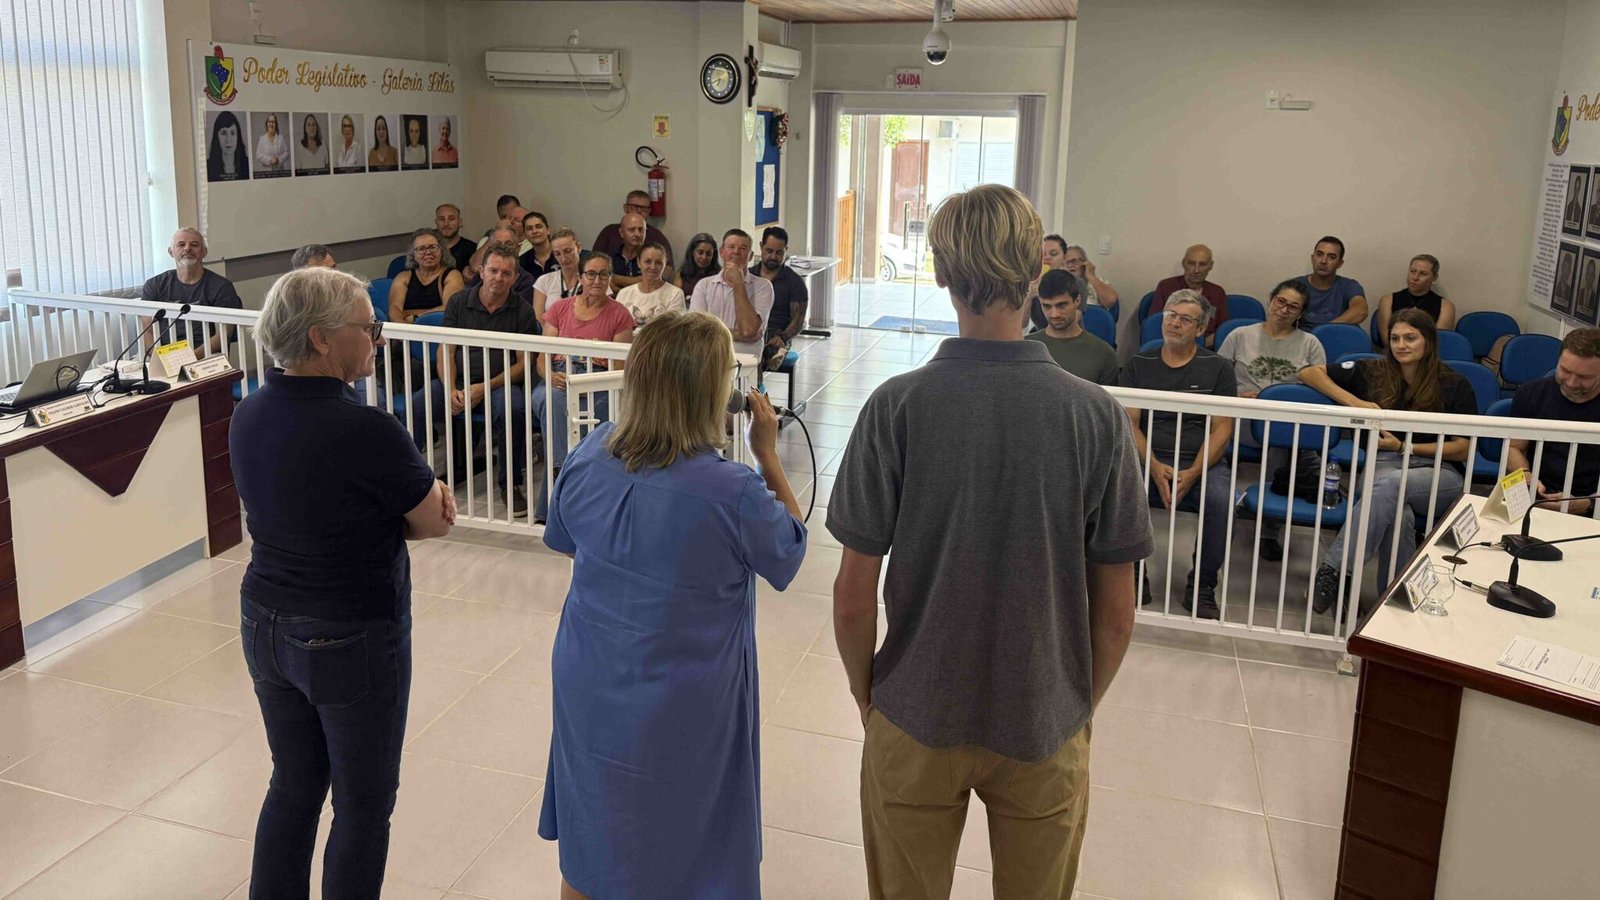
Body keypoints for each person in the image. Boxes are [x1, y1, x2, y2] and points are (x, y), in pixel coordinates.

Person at [827, 184, 1150, 900]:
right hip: (1043, 716)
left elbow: (854, 597)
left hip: (915, 711)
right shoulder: (1098, 417)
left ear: (939, 274)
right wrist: (1073, 705)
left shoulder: (894, 408)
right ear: (1038, 272)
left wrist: (867, 696)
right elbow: (1118, 614)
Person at [538, 310, 804, 899]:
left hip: (589, 677)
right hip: (683, 697)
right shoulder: (732, 490)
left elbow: (561, 538)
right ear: (713, 393)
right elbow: (789, 551)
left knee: (595, 833)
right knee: (688, 834)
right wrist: (767, 454)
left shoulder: (589, 453)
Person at [231, 266, 455, 900]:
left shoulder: (248, 412)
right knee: (362, 806)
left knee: (294, 783)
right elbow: (434, 518)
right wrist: (406, 512)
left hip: (264, 622)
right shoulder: (368, 429)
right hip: (347, 632)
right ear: (324, 339)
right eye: (368, 326)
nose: (376, 337)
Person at [1301, 308, 1477, 614]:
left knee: (1390, 485)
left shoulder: (1453, 383)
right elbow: (1308, 373)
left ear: (1428, 342)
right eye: (1395, 338)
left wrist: (1406, 446)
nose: (1401, 345)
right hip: (1385, 462)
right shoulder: (1372, 371)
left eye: (1410, 338)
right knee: (1399, 514)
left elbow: (1462, 449)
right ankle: (1395, 600)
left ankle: (1333, 570)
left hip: (1439, 473)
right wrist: (1355, 402)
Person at [1119, 289, 1237, 619]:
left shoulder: (1218, 368)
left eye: (1186, 319)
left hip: (1202, 460)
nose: (1175, 323)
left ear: (1201, 329)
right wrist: (1154, 467)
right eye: (1171, 315)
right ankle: (1132, 577)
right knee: (1119, 488)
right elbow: (1131, 423)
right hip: (1148, 456)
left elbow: (1222, 429)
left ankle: (1201, 586)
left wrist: (1195, 471)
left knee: (1221, 500)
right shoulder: (1139, 364)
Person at [410, 244, 539, 516]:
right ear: (481, 271)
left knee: (514, 409)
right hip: (456, 382)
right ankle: (408, 479)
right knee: (418, 403)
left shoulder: (523, 310)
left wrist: (484, 387)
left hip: (499, 384)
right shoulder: (459, 302)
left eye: (506, 273)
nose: (498, 278)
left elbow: (523, 365)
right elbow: (447, 350)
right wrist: (451, 389)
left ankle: (511, 485)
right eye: (493, 270)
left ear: (515, 278)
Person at [1216, 279, 1325, 560]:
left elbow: (1319, 391)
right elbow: (1216, 381)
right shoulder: (1239, 335)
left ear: (1300, 314)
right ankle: (1224, 510)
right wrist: (1239, 399)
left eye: (1293, 306)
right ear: (1270, 300)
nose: (1284, 309)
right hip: (1241, 416)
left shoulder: (1310, 344)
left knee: (1282, 446)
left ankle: (1267, 529)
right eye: (1280, 301)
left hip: (1284, 423)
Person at [533, 254, 636, 522]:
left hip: (598, 380)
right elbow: (542, 358)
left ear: (611, 279)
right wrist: (552, 374)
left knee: (589, 418)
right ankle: (560, 471)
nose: (597, 280)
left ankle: (568, 491)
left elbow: (618, 366)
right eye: (591, 274)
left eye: (604, 274)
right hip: (560, 376)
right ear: (580, 278)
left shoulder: (620, 314)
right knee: (550, 398)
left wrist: (588, 375)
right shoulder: (559, 309)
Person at [1507, 326, 1600, 515]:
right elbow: (1513, 447)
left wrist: (1589, 503)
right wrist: (1526, 476)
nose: (1572, 382)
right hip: (1535, 495)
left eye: (1584, 377)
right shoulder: (1531, 393)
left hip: (1592, 502)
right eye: (1565, 370)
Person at [141, 228, 243, 354]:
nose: (187, 249)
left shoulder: (221, 287)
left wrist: (187, 359)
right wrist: (159, 359)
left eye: (194, 245)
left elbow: (222, 336)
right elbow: (147, 332)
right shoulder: (154, 285)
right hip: (163, 356)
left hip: (205, 357)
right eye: (181, 244)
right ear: (171, 252)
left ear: (204, 252)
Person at [690, 229, 774, 363]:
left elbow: (748, 330)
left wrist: (738, 283)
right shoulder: (704, 285)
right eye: (731, 247)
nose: (736, 251)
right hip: (710, 361)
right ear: (722, 252)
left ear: (751, 255)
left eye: (743, 248)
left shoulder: (763, 286)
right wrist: (738, 335)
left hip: (747, 363)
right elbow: (698, 331)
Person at [1026, 269, 1119, 384]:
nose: (1054, 314)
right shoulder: (1024, 348)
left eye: (1062, 305)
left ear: (1077, 301)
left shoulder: (1103, 354)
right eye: (1047, 306)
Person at [752, 226, 809, 371]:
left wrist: (783, 338)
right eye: (769, 251)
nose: (773, 257)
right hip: (751, 330)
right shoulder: (749, 276)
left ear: (786, 250)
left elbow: (799, 320)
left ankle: (755, 389)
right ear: (761, 247)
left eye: (779, 253)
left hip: (777, 333)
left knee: (764, 353)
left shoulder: (795, 282)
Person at [387, 228, 465, 324]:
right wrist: (406, 330)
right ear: (413, 254)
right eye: (421, 249)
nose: (428, 252)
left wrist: (416, 318)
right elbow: (394, 308)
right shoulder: (403, 277)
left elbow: (449, 307)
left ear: (442, 250)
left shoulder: (452, 275)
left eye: (432, 247)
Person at [1150, 244, 1229, 337]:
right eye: (1191, 263)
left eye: (1202, 264)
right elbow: (1153, 324)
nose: (1196, 270)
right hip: (1172, 343)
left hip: (1206, 347)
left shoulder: (1217, 292)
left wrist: (1202, 344)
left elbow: (1223, 331)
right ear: (1184, 263)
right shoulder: (1166, 287)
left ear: (1210, 266)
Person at [1295, 236, 1367, 328]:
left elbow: (1361, 311)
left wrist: (1326, 330)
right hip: (1304, 339)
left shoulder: (1349, 285)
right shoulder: (1295, 285)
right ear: (1312, 258)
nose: (1323, 261)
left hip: (1337, 337)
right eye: (1319, 254)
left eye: (1331, 257)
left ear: (1340, 263)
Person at [1376, 254, 1455, 337]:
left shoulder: (1446, 306)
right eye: (1413, 271)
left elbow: (1438, 340)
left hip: (1429, 349)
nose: (1415, 278)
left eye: (1423, 274)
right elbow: (1386, 337)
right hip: (1395, 348)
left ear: (1434, 277)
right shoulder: (1388, 300)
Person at [592, 190, 673, 264]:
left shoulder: (656, 236)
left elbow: (668, 267)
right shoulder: (609, 232)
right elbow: (593, 261)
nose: (639, 211)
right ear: (625, 208)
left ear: (648, 212)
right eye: (634, 207)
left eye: (644, 208)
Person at [466, 226, 538, 307]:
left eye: (508, 244)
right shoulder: (481, 275)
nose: (503, 248)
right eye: (498, 244)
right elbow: (466, 302)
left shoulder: (526, 281)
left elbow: (518, 313)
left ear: (518, 249)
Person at [616, 243, 685, 327]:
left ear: (665, 263)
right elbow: (616, 327)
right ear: (638, 262)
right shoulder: (624, 294)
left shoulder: (675, 294)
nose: (653, 267)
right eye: (648, 261)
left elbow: (672, 331)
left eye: (658, 262)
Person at [533, 227, 585, 324]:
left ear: (578, 247)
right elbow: (539, 321)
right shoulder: (544, 281)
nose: (563, 259)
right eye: (557, 254)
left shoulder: (594, 279)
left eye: (568, 251)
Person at [1064, 243, 1119, 314]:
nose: (1070, 265)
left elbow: (1110, 301)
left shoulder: (1097, 282)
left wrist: (1090, 276)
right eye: (1067, 262)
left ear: (1084, 263)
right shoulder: (1061, 284)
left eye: (1074, 261)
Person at [609, 214, 649, 291]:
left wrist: (615, 278)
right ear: (621, 232)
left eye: (641, 230)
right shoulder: (611, 256)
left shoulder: (652, 255)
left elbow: (652, 280)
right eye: (631, 230)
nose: (637, 234)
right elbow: (605, 281)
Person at [207, 112, 249, 182]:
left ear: (238, 136)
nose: (228, 140)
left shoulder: (247, 165)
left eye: (232, 133)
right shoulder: (207, 167)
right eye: (223, 133)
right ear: (216, 137)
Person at [678, 232, 720, 297]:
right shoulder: (682, 274)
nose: (704, 257)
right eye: (700, 253)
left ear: (713, 255)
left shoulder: (719, 275)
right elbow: (675, 301)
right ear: (692, 252)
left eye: (708, 254)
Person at [436, 203, 475, 271]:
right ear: (436, 222)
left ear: (459, 222)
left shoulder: (472, 249)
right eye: (441, 219)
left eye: (451, 219)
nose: (446, 223)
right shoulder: (429, 248)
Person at [520, 211, 557, 277]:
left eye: (539, 227)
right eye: (529, 228)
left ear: (548, 230)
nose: (534, 231)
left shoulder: (562, 254)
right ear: (525, 234)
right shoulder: (522, 262)